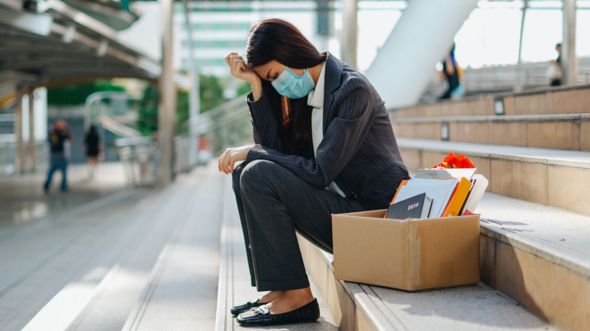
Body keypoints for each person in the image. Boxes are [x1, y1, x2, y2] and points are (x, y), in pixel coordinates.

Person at [218, 18, 409, 327]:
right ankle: (281, 287)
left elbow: (319, 172)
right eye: (270, 80)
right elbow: (274, 152)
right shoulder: (304, 97)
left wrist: (252, 152)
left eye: (275, 75)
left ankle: (298, 298)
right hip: (345, 211)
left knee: (256, 172)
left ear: (292, 54)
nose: (277, 84)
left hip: (375, 220)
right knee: (247, 174)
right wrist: (256, 88)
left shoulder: (351, 90)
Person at [43, 119, 72, 193]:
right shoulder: (56, 133)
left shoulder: (54, 133)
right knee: (60, 171)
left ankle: (53, 184)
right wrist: (65, 128)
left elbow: (69, 138)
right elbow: (68, 137)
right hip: (58, 154)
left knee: (53, 171)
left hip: (57, 154)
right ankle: (62, 186)